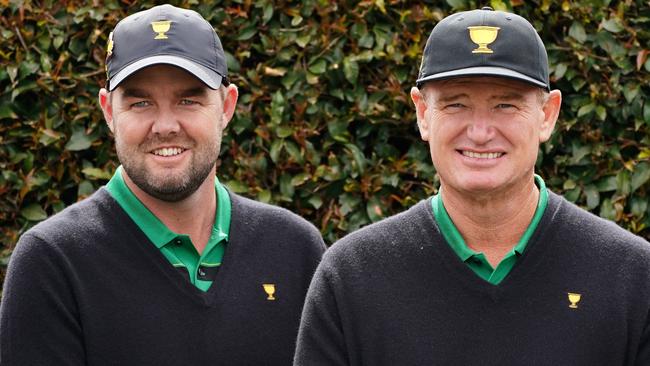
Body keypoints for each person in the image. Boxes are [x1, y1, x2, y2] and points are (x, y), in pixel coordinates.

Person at [294, 7, 650, 366]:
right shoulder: (352, 276)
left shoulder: (632, 276)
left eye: (506, 104)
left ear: (547, 115)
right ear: (422, 113)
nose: (480, 133)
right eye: (456, 104)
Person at [0, 4, 326, 365]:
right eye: (141, 102)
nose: (165, 125)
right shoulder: (52, 262)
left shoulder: (295, 249)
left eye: (188, 100)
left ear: (226, 106)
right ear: (108, 111)